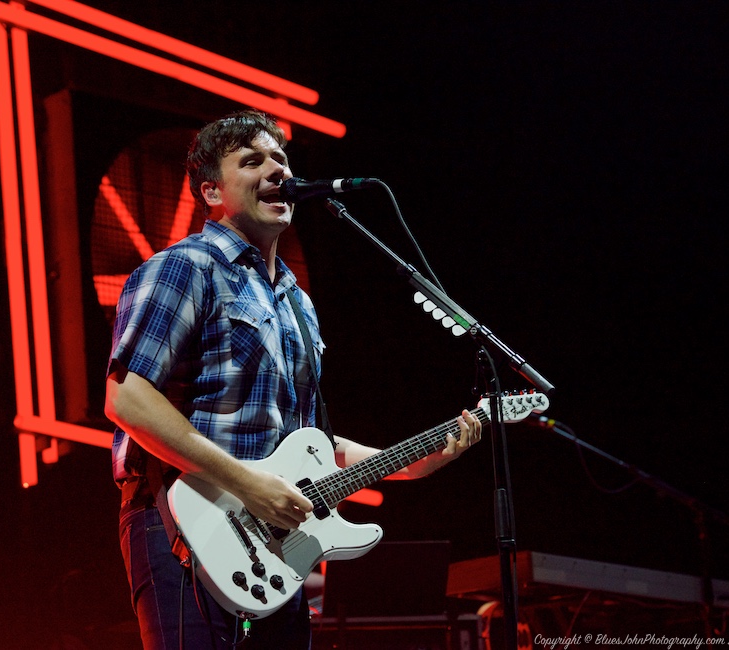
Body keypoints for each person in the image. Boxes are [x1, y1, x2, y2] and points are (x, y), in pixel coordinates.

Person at [104, 109, 481, 649]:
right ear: (212, 192)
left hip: (272, 546)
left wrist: (414, 461)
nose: (276, 170)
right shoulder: (185, 266)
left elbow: (309, 443)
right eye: (252, 161)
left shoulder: (296, 302)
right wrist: (248, 485)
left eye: (280, 158)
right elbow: (128, 399)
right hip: (181, 522)